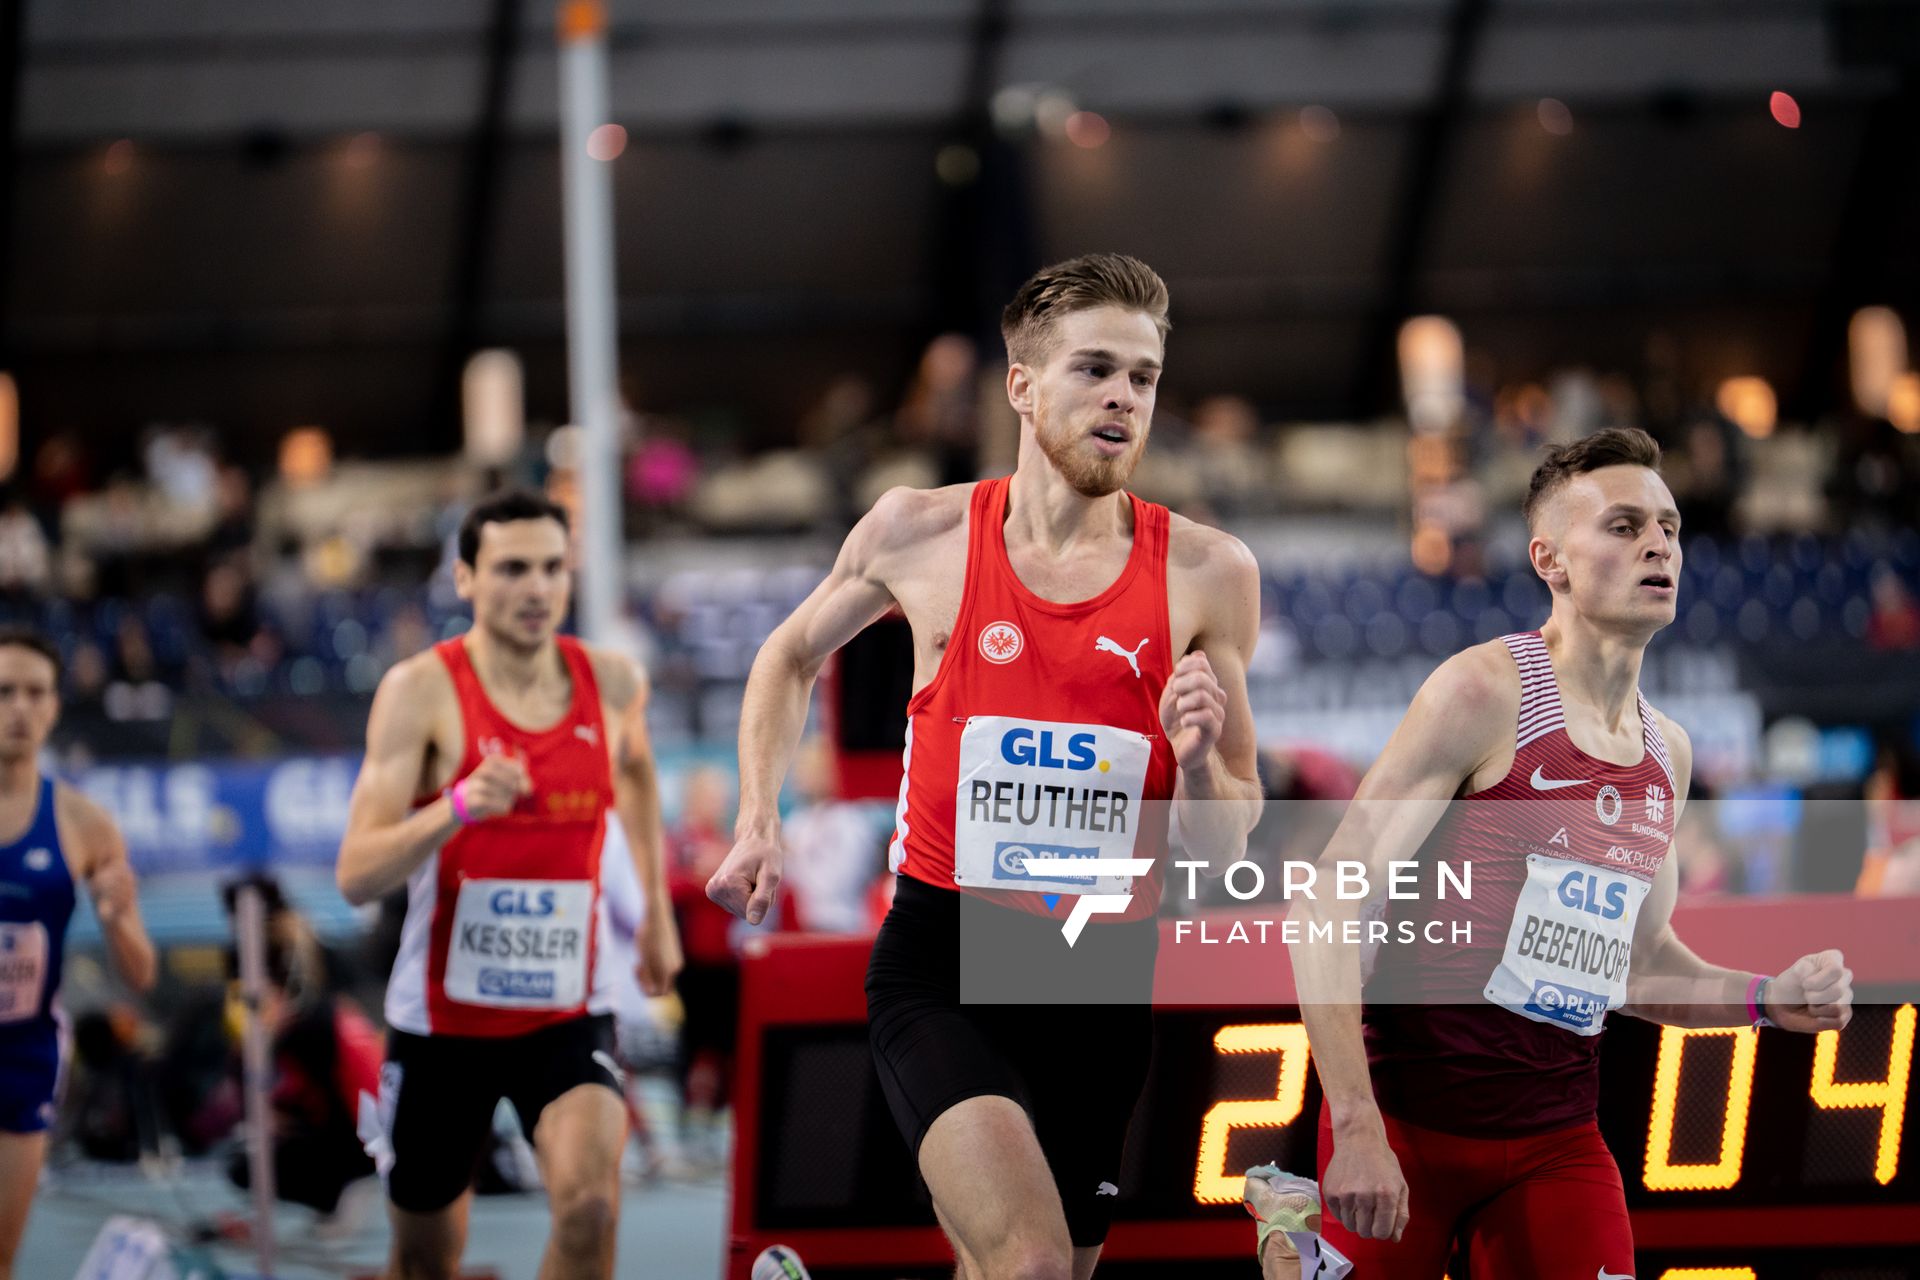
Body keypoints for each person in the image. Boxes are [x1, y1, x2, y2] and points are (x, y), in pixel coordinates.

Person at [708, 253, 1264, 1280]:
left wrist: (1192, 766)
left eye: (1142, 377)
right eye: (1095, 369)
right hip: (944, 962)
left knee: (1019, 1268)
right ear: (1021, 384)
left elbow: (1228, 833)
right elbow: (787, 654)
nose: (1122, 398)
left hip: (1100, 980)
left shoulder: (1207, 571)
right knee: (1033, 1261)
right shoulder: (918, 533)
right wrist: (758, 817)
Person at [1291, 428, 1855, 1277]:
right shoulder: (1482, 693)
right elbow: (1327, 901)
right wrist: (1358, 1125)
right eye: (1624, 526)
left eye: (1668, 526)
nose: (1659, 543)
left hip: (1558, 1144)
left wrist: (1768, 1000)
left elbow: (1637, 964)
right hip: (1406, 1129)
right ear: (1549, 560)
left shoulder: (1669, 753)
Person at [337, 488, 683, 1280]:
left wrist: (658, 913)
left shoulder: (615, 682)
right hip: (443, 1026)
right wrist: (454, 807)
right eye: (512, 568)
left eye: (553, 568)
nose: (536, 588)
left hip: (567, 1010)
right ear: (464, 578)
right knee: (425, 1261)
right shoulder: (418, 693)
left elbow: (634, 771)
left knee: (592, 1209)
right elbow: (356, 874)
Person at [0, 625, 157, 1280]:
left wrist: (118, 919)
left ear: (56, 706)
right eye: (3, 691)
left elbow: (141, 973)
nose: (19, 708)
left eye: (36, 692)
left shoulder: (83, 824)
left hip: (22, 1061)